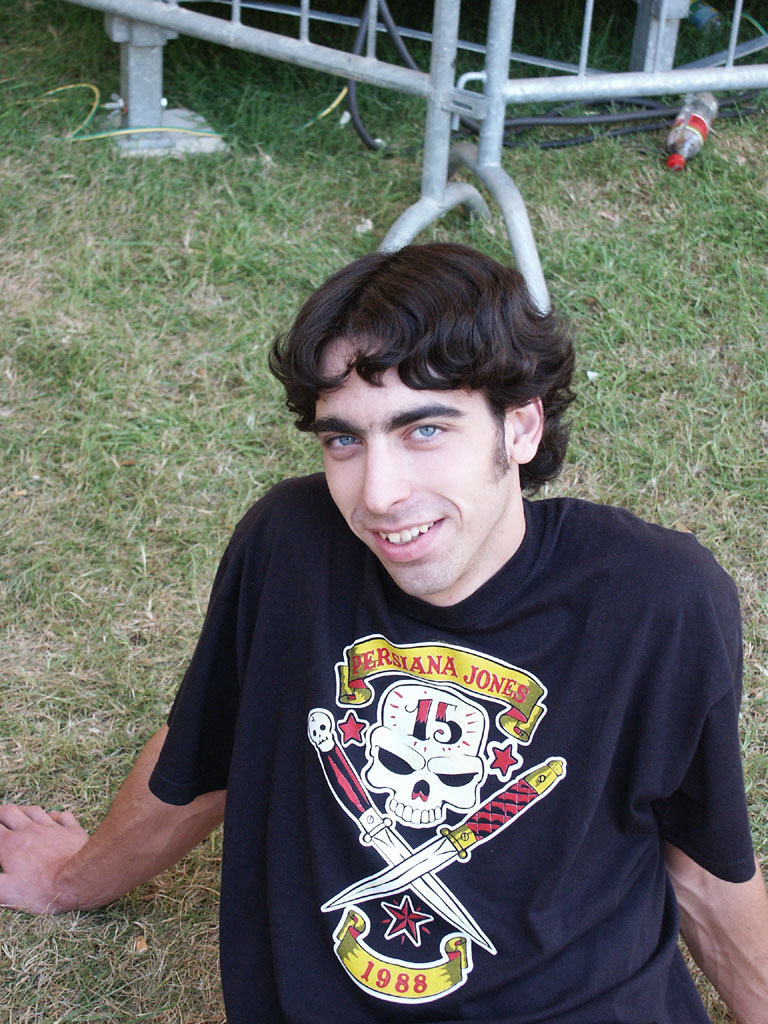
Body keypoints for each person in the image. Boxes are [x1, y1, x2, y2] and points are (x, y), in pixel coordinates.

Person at [1, 243, 767, 1023]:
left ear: (521, 426)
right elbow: (209, 753)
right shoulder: (291, 547)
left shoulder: (653, 597)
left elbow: (705, 864)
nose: (378, 494)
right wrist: (69, 880)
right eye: (344, 439)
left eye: (423, 430)